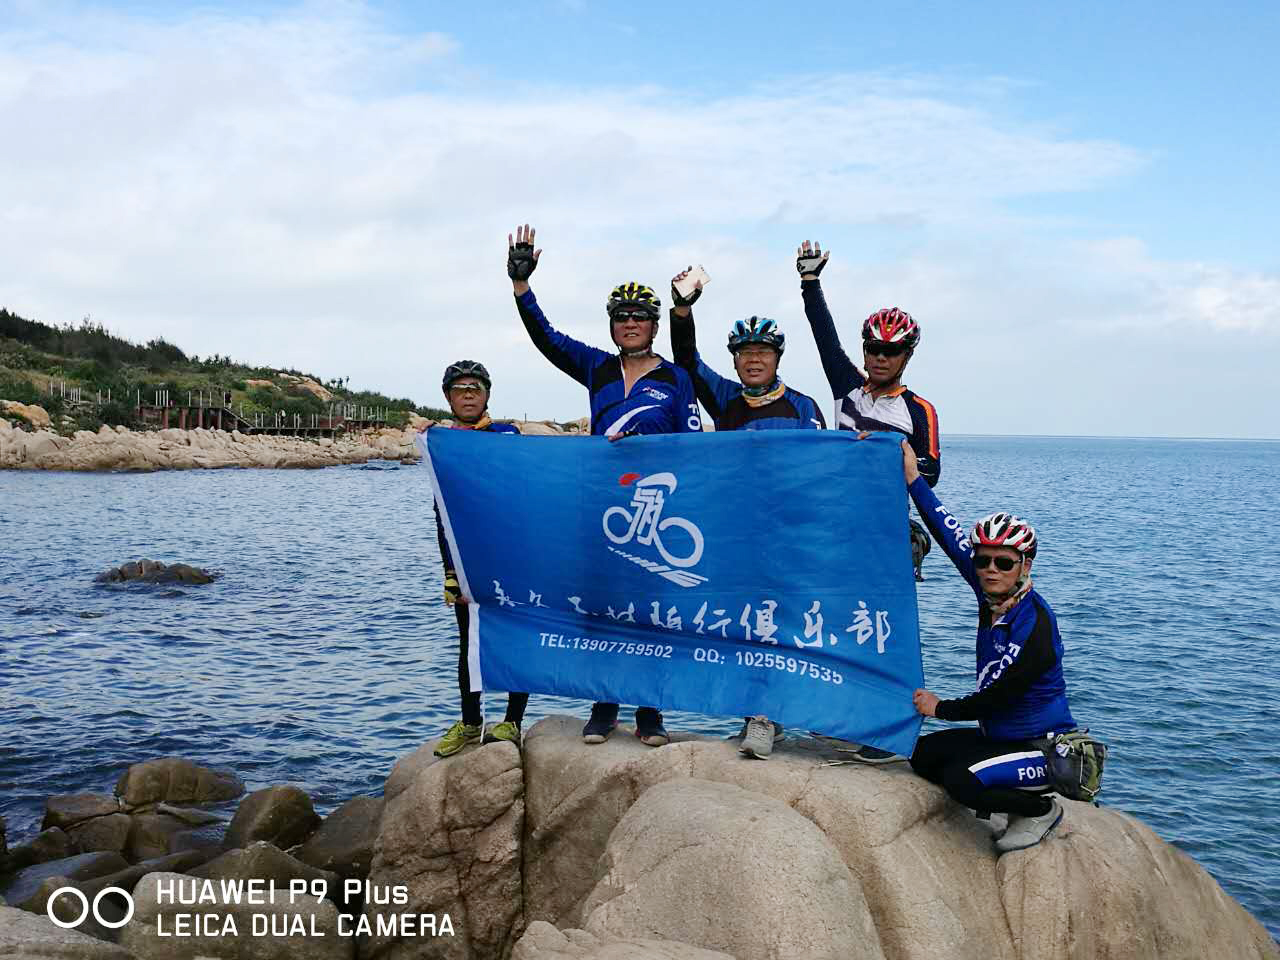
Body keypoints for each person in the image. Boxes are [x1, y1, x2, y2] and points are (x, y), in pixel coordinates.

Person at [508, 224, 701, 747]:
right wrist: (522, 287)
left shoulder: (676, 378)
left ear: (654, 325)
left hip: (657, 506)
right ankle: (604, 706)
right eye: (622, 316)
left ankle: (650, 712)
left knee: (652, 613)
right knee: (605, 609)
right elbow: (548, 340)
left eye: (640, 316)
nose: (630, 323)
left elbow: (693, 446)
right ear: (612, 325)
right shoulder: (597, 367)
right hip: (602, 503)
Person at [666, 267, 824, 759]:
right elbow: (687, 362)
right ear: (734, 359)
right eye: (744, 352)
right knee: (746, 626)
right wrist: (682, 310)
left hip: (788, 537)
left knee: (786, 626)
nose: (754, 359)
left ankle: (774, 716)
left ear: (777, 357)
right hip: (736, 533)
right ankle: (757, 714)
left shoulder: (803, 407)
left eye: (763, 351)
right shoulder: (726, 399)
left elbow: (826, 472)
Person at [900, 440, 1076, 853]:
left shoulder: (1035, 624)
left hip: (1040, 749)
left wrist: (940, 708)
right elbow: (949, 536)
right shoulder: (991, 598)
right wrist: (913, 480)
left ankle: (1040, 810)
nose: (990, 570)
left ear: (1025, 566)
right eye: (983, 561)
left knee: (961, 779)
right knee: (922, 755)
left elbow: (999, 699)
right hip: (998, 738)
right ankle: (1003, 794)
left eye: (1004, 562)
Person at [796, 241, 939, 575]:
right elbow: (825, 339)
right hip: (836, 524)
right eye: (874, 349)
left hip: (886, 527)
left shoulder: (919, 409)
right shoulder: (847, 388)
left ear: (907, 355)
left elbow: (930, 474)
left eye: (891, 351)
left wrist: (881, 448)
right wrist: (810, 282)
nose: (880, 358)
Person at [425, 360, 529, 758]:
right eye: (460, 388)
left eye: (475, 388)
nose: (468, 394)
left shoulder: (506, 435)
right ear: (448, 397)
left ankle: (512, 722)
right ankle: (470, 722)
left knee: (514, 638)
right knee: (469, 644)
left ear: (487, 395)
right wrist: (450, 571)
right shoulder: (439, 441)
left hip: (510, 557)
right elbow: (443, 517)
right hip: (464, 562)